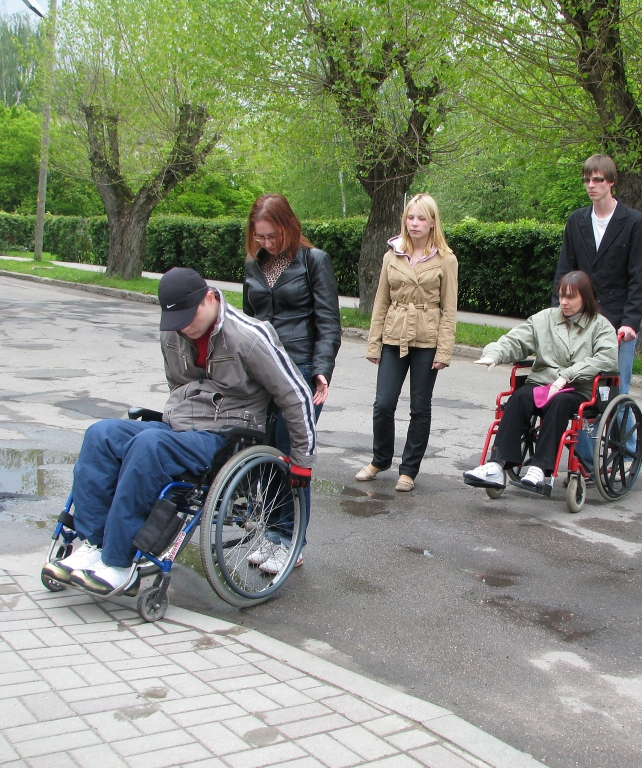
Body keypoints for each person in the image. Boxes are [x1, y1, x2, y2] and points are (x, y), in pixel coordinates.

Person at [42, 268, 317, 595]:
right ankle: (91, 545)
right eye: (176, 320)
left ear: (210, 298)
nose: (183, 327)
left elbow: (295, 394)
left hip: (228, 435)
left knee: (150, 444)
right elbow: (178, 386)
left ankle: (118, 562)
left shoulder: (249, 335)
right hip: (180, 427)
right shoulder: (173, 331)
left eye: (189, 316)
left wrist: (302, 460)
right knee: (101, 435)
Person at [243, 193, 341, 572]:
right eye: (259, 237)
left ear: (288, 226)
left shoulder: (314, 261)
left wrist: (322, 368)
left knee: (292, 456)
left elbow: (328, 322)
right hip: (262, 370)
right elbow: (247, 323)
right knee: (265, 454)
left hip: (300, 368)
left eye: (271, 236)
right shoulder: (254, 264)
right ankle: (270, 534)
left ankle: (290, 540)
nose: (266, 244)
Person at [464, 272, 618, 491]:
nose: (563, 302)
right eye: (561, 296)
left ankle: (539, 469)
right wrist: (494, 354)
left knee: (559, 404)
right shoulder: (544, 319)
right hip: (543, 382)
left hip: (578, 388)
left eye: (571, 297)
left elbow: (606, 358)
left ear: (586, 298)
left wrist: (568, 375)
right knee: (519, 397)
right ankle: (496, 465)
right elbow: (515, 340)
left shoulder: (600, 326)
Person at [552, 154, 642, 466]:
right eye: (587, 180)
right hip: (580, 321)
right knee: (581, 389)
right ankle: (587, 457)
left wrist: (631, 322)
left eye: (597, 180)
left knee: (616, 389)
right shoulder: (576, 221)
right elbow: (565, 271)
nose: (591, 185)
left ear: (611, 182)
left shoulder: (633, 222)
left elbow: (639, 277)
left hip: (618, 320)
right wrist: (559, 313)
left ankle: (627, 451)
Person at [358, 193, 458, 492]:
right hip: (393, 335)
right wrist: (373, 344)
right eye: (410, 217)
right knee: (383, 404)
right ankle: (380, 459)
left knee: (419, 408)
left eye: (421, 218)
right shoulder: (392, 255)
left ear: (432, 223)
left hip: (427, 339)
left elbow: (450, 309)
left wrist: (444, 350)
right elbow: (380, 302)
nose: (415, 224)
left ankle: (409, 470)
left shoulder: (446, 259)